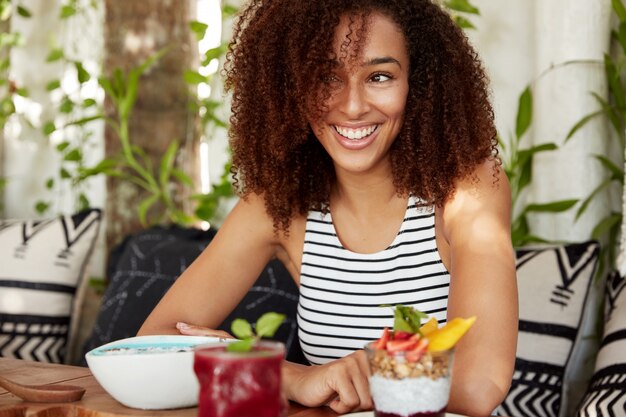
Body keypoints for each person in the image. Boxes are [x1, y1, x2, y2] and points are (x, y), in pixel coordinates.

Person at [138, 0, 518, 415]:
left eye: (379, 76)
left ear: (419, 84)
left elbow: (479, 385)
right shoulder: (278, 204)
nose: (352, 106)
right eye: (325, 78)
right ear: (290, 87)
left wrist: (268, 368)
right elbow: (153, 341)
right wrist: (297, 377)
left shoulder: (466, 187)